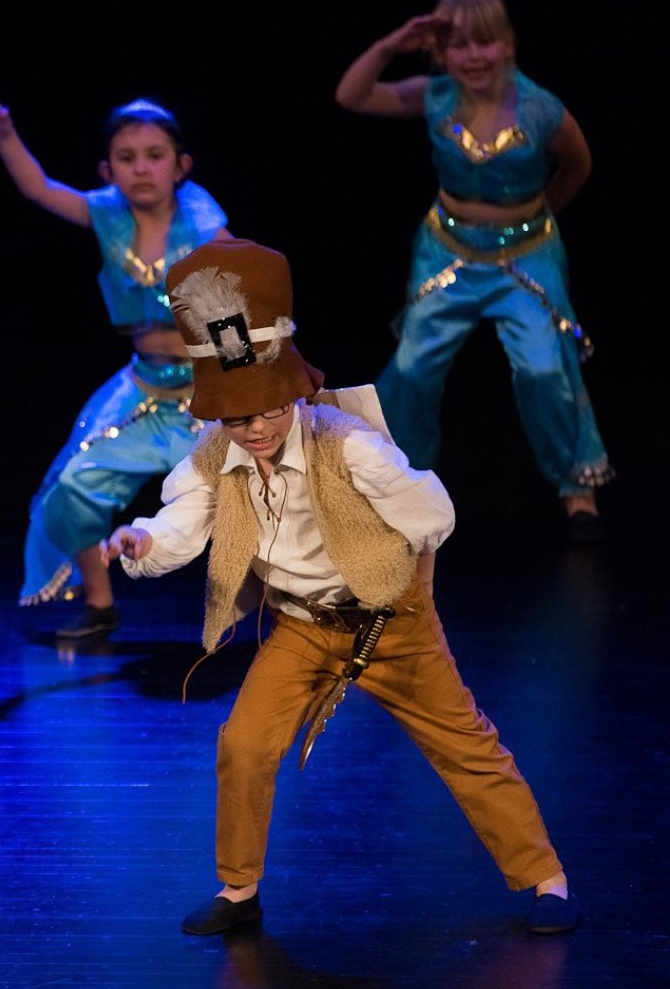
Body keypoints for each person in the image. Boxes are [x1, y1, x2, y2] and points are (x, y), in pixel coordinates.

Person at [100, 238, 578, 936]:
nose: (254, 428)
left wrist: (410, 590)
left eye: (267, 410)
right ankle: (239, 889)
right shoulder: (216, 456)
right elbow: (180, 524)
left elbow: (433, 515)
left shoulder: (348, 444)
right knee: (244, 744)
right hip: (303, 626)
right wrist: (141, 542)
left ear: (292, 393)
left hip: (391, 620)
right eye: (237, 416)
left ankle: (546, 879)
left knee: (464, 745)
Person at [334, 0, 609, 542]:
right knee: (413, 366)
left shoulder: (541, 109)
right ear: (439, 51)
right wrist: (391, 45)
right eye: (458, 45)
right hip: (447, 252)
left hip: (526, 256)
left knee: (544, 367)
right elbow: (351, 96)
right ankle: (398, 483)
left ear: (508, 43)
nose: (474, 56)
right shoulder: (434, 95)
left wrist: (535, 218)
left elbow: (578, 165)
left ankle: (576, 485)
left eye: (485, 42)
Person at [0, 96, 230, 636]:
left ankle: (280, 610)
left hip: (206, 394)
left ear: (181, 166)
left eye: (155, 155)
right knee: (73, 484)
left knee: (253, 490)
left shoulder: (208, 230)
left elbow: (246, 311)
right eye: (126, 157)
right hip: (144, 386)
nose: (141, 168)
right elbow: (38, 188)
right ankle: (100, 603)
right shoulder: (107, 216)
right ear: (108, 171)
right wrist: (5, 135)